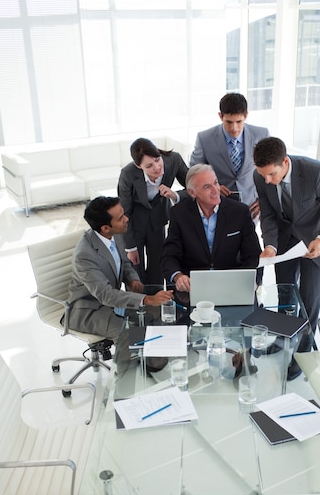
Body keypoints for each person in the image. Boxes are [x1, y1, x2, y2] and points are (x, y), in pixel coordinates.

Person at [253, 136, 320, 379]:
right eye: (263, 175)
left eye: (272, 174)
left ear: (285, 162)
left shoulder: (317, 173)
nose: (267, 180)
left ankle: (305, 352)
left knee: (309, 298)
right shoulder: (260, 176)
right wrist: (271, 245)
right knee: (285, 291)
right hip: (286, 241)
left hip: (316, 241)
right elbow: (269, 215)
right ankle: (285, 335)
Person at [67, 196, 173, 342]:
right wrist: (147, 299)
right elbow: (106, 295)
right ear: (105, 228)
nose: (126, 219)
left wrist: (133, 279)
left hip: (114, 303)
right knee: (134, 338)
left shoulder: (113, 234)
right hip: (90, 310)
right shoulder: (84, 256)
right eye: (120, 217)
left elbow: (124, 262)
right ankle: (139, 362)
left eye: (123, 213)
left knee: (157, 320)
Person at [161, 164, 261, 293]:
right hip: (193, 287)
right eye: (207, 187)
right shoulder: (179, 213)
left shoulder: (239, 212)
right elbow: (169, 256)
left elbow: (253, 254)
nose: (216, 190)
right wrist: (178, 277)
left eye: (216, 183)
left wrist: (251, 280)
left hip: (231, 285)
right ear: (192, 192)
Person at [118, 137, 189, 284]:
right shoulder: (128, 174)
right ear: (139, 166)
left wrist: (175, 195)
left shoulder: (173, 160)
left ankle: (156, 303)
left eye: (157, 159)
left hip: (158, 219)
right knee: (135, 269)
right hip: (134, 221)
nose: (156, 167)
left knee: (158, 265)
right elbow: (124, 211)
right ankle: (139, 303)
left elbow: (194, 186)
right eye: (149, 166)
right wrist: (130, 247)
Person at [190, 92, 269, 221]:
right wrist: (212, 186)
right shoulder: (204, 138)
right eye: (229, 122)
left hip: (252, 207)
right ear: (220, 116)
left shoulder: (262, 134)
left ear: (246, 116)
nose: (234, 128)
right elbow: (194, 172)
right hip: (218, 206)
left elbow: (270, 171)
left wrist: (265, 201)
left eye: (239, 121)